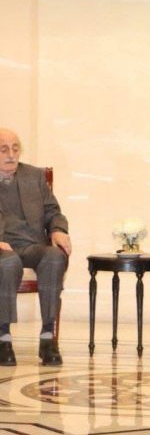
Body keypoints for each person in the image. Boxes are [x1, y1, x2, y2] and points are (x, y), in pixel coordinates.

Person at [0, 128, 71, 366]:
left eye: (15, 148)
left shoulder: (34, 176)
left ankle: (48, 336)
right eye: (4, 150)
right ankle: (3, 337)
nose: (11, 155)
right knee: (8, 262)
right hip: (3, 248)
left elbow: (53, 211)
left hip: (32, 245)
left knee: (54, 257)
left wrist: (58, 230)